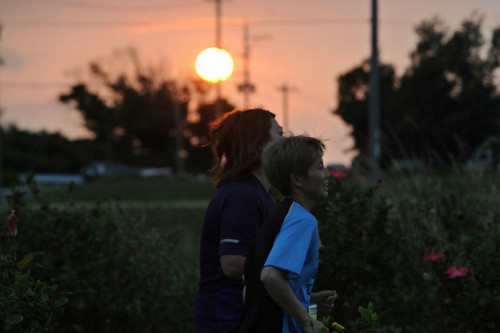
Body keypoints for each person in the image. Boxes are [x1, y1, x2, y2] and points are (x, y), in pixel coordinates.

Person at [194, 108, 284, 333]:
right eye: (280, 134)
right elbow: (233, 263)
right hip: (226, 318)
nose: (286, 141)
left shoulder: (261, 194)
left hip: (243, 315)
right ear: (260, 143)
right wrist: (290, 259)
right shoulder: (243, 195)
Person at [238, 135, 337, 333]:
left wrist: (308, 298)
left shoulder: (277, 219)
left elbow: (250, 290)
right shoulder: (302, 220)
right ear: (297, 179)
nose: (327, 174)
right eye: (319, 167)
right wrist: (306, 320)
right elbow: (270, 276)